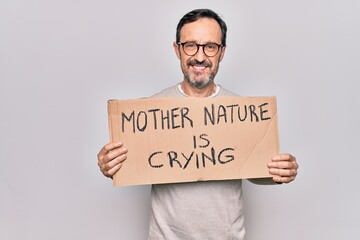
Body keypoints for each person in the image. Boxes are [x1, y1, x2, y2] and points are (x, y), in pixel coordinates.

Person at [97, 9, 299, 240]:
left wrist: (280, 171)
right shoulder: (150, 112)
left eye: (210, 47)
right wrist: (109, 165)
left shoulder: (242, 113)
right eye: (190, 45)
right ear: (177, 50)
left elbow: (253, 168)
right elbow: (128, 165)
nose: (200, 57)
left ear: (222, 52)